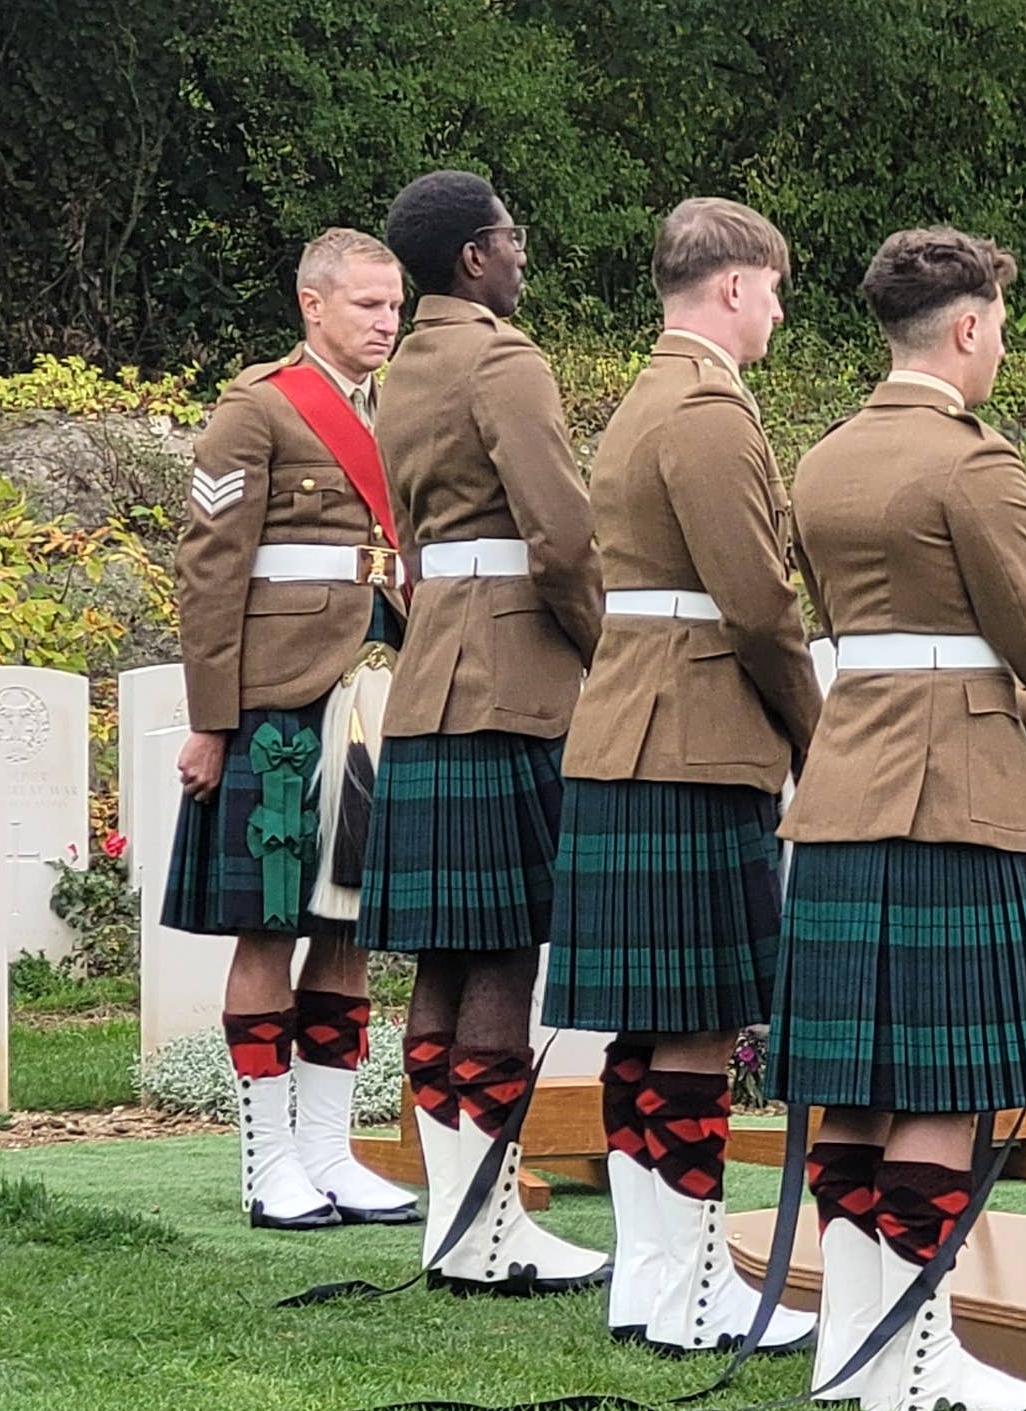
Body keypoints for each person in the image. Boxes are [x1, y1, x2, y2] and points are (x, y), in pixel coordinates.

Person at [777, 226, 1026, 1411]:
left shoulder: (824, 457)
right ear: (970, 326)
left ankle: (856, 1344)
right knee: (941, 1083)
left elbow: (873, 628)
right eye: (999, 329)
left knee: (855, 1086)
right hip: (952, 791)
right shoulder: (972, 463)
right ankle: (919, 1355)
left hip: (845, 778)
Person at [548, 198, 819, 1355]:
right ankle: (695, 1281)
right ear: (733, 285)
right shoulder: (709, 412)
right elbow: (756, 603)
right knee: (699, 1025)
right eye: (773, 290)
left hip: (632, 727)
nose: (776, 313)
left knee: (646, 1028)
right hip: (696, 735)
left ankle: (653, 1275)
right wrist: (816, 728)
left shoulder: (644, 397)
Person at [356, 170, 610, 1296]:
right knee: (504, 946)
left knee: (445, 956)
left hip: (431, 672)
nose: (520, 254)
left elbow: (411, 538)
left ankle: (454, 1225)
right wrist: (609, 651)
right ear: (473, 255)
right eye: (510, 236)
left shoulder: (404, 365)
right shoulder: (505, 360)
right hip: (513, 675)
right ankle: (490, 1227)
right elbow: (560, 535)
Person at [162, 227, 420, 1233]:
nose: (386, 322)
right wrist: (210, 721)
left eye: (395, 306)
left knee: (348, 924)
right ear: (314, 305)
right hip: (277, 696)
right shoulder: (257, 409)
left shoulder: (401, 410)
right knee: (269, 924)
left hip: (379, 683)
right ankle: (268, 1163)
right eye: (367, 305)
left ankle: (329, 1152)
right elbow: (209, 569)